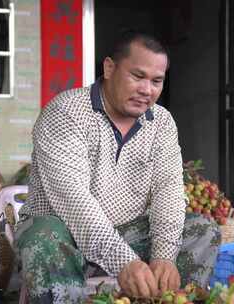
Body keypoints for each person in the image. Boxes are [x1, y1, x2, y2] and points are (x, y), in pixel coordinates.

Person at [15, 30, 221, 303]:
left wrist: (164, 256)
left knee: (202, 230)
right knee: (42, 236)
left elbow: (168, 189)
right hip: (64, 235)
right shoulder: (66, 113)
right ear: (110, 68)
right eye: (137, 76)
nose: (147, 90)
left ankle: (171, 299)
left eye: (157, 81)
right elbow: (73, 200)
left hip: (127, 233)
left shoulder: (161, 122)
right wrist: (123, 261)